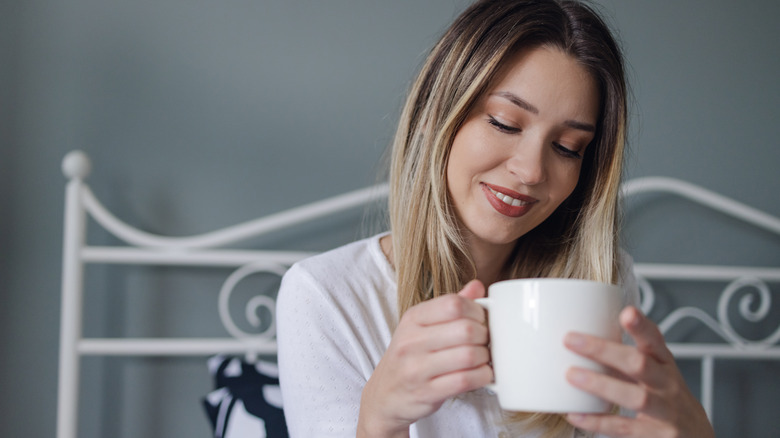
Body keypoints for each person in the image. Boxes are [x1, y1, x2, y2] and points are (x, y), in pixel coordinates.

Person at [277, 0, 715, 437]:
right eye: (505, 123)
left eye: (567, 148)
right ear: (436, 114)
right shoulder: (326, 297)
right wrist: (376, 423)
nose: (531, 171)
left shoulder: (605, 281)